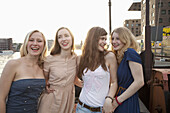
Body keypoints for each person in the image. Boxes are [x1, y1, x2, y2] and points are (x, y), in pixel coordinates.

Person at [0, 30, 48, 113]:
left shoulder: (44, 67)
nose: (35, 43)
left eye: (39, 41)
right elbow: (1, 97)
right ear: (26, 43)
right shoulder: (13, 65)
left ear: (44, 45)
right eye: (31, 40)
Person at [38, 27, 82, 113]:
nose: (63, 39)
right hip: (51, 99)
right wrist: (45, 85)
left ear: (72, 38)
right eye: (60, 37)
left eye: (66, 36)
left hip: (68, 100)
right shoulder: (49, 59)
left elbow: (75, 80)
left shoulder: (75, 58)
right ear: (57, 41)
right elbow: (44, 79)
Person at [76, 27, 118, 113]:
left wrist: (109, 98)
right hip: (82, 108)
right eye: (102, 39)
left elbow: (114, 82)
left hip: (102, 109)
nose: (105, 42)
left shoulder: (110, 57)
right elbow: (73, 77)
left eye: (105, 39)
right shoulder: (80, 58)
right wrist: (80, 83)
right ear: (93, 39)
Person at [110, 27, 144, 113]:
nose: (114, 42)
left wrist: (118, 101)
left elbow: (139, 81)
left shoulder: (130, 52)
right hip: (118, 98)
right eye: (112, 38)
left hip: (126, 100)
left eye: (118, 38)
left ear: (125, 39)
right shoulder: (118, 56)